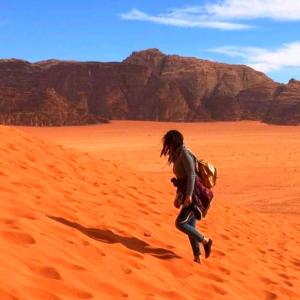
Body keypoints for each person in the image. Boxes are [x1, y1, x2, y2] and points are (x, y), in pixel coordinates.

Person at [160, 129, 212, 264]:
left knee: (180, 223)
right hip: (186, 193)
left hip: (194, 195)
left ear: (174, 142)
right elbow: (181, 177)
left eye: (169, 143)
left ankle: (205, 241)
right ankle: (197, 257)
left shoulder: (184, 153)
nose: (167, 146)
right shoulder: (177, 155)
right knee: (190, 225)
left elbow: (191, 175)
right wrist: (178, 195)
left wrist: (188, 196)